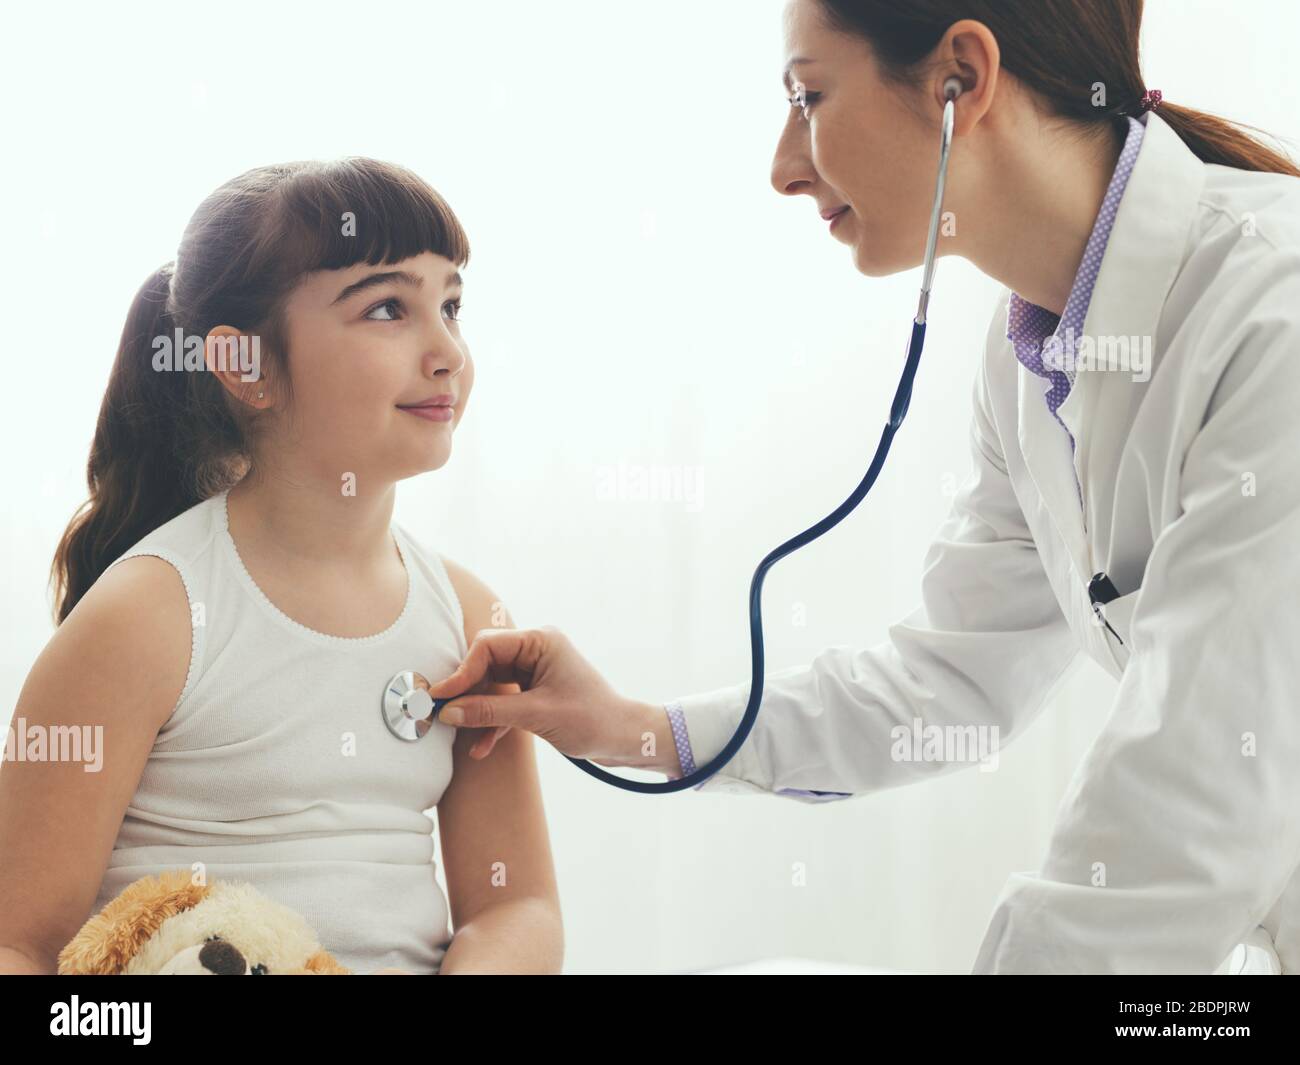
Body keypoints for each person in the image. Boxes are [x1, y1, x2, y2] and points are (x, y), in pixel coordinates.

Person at [424, 0, 1300, 975]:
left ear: (959, 78)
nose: (781, 166)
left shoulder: (1274, 316)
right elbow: (950, 685)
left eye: (808, 97)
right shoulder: (1029, 357)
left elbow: (1192, 793)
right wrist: (635, 730)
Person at [0, 160, 561, 975]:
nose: (446, 351)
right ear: (247, 366)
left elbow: (518, 904)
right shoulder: (147, 615)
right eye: (386, 308)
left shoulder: (473, 622)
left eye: (450, 304)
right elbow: (18, 942)